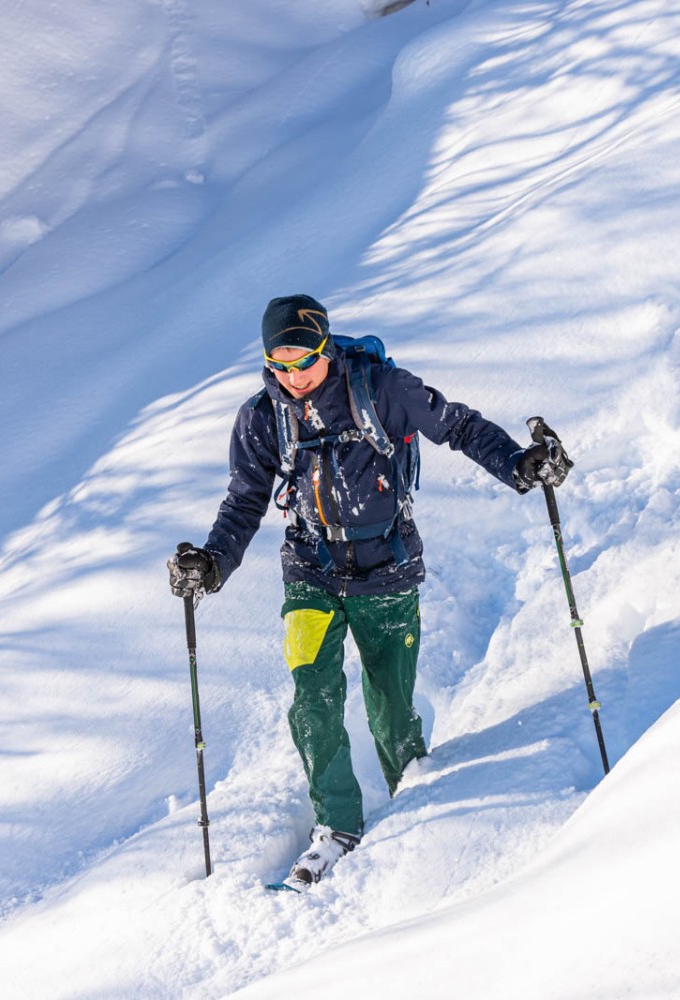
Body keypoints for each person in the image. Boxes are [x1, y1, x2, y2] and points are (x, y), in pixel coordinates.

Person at [168, 293, 571, 890]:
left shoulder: (382, 390)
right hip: (310, 571)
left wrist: (519, 464)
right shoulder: (262, 417)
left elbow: (457, 426)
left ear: (326, 349)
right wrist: (212, 563)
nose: (292, 375)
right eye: (279, 363)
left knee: (389, 706)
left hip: (388, 569)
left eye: (302, 359)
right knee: (312, 698)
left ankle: (417, 792)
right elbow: (245, 501)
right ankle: (336, 826)